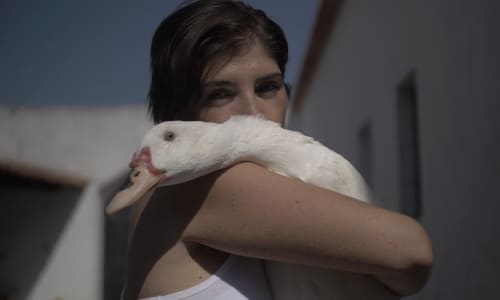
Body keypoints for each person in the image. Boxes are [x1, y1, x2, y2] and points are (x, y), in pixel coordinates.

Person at [123, 1, 434, 299]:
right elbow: (411, 252)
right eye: (220, 94)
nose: (253, 112)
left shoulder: (270, 202)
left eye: (267, 87)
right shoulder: (198, 188)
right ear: (177, 113)